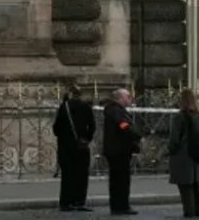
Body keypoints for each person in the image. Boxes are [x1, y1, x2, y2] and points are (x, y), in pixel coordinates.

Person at [168, 88, 199, 218]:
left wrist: (171, 150)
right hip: (196, 153)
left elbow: (174, 138)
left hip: (182, 155)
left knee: (185, 186)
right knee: (197, 184)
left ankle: (189, 211)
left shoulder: (179, 117)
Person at [53, 84, 96, 212]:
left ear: (70, 94)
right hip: (81, 147)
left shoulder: (63, 108)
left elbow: (56, 129)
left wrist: (64, 137)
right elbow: (92, 127)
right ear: (80, 95)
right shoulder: (86, 107)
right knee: (81, 176)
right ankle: (79, 202)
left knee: (67, 176)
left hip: (66, 147)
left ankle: (66, 203)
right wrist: (86, 139)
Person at [102, 88, 142, 216]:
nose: (130, 99)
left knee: (117, 179)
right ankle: (121, 205)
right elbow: (123, 125)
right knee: (121, 180)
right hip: (118, 150)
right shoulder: (116, 111)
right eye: (128, 97)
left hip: (116, 149)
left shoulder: (115, 110)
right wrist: (135, 134)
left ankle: (118, 205)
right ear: (120, 98)